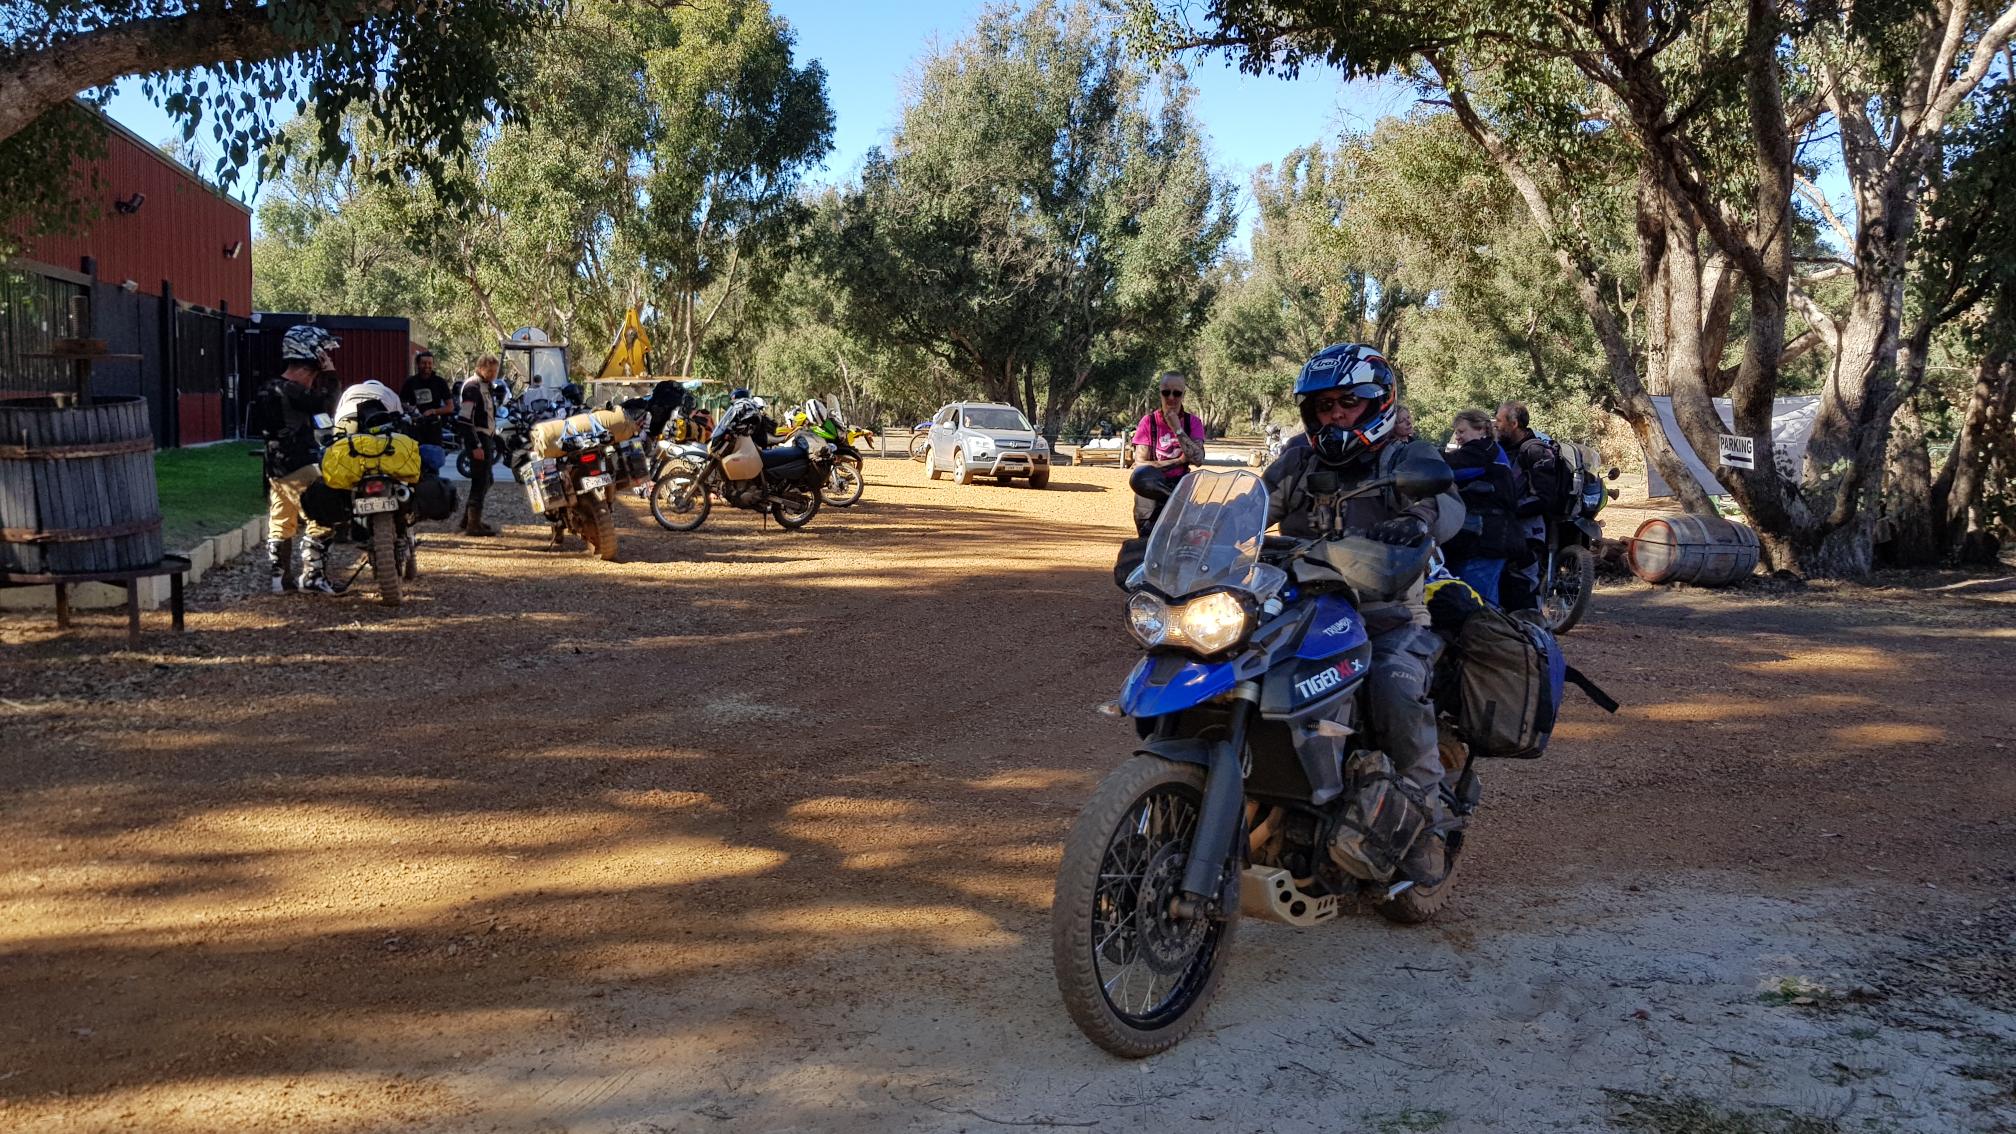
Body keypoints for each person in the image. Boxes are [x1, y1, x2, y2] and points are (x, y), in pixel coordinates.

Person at [1261, 342, 1464, 882]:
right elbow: (1255, 503)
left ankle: (1428, 827)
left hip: (1388, 614)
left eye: (1348, 403)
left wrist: (1417, 520)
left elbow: (1445, 505)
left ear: (1379, 402)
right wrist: (1207, 523)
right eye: (1324, 406)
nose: (1335, 415)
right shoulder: (1299, 460)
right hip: (1303, 609)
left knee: (1393, 686)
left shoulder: (1404, 457)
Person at [249, 325, 339, 594]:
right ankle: (313, 577)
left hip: (274, 466)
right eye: (322, 354)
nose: (326, 358)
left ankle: (280, 578)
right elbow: (328, 404)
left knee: (282, 519)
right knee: (324, 512)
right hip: (298, 463)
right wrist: (331, 374)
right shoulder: (292, 391)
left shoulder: (267, 388)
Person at [1441, 409, 1519, 604]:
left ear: (1482, 429)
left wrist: (1421, 456)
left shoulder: (1482, 450)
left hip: (1486, 537)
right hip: (1484, 537)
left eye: (1461, 431)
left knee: (1477, 603)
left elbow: (1450, 469)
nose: (1458, 437)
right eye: (1456, 432)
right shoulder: (1490, 450)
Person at [1495, 401, 1561, 611]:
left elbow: (1544, 498)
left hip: (1528, 532)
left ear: (1514, 424)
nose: (1495, 425)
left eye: (1499, 421)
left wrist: (1509, 509)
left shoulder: (1535, 451)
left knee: (1524, 589)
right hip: (1506, 529)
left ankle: (1532, 626)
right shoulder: (1504, 449)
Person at [1128, 372, 1208, 535]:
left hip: (1179, 488)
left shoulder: (1192, 422)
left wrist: (1177, 429)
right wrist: (1178, 461)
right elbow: (1140, 464)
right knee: (1147, 537)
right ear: (1160, 393)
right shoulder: (1148, 422)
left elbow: (1198, 459)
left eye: (1176, 393)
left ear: (1183, 394)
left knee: (1179, 537)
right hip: (1149, 487)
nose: (1171, 397)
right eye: (1166, 392)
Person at [457, 356, 501, 536]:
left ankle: (469, 519)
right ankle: (472, 525)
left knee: (486, 479)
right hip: (478, 437)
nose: (493, 374)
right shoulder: (472, 387)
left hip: (486, 436)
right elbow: (464, 419)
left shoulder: (486, 386)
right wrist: (475, 445)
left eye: (495, 371)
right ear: (480, 368)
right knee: (480, 481)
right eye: (490, 371)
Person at [401, 350, 453, 477]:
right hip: (414, 427)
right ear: (418, 364)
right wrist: (409, 407)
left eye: (430, 363)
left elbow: (450, 407)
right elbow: (401, 402)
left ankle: (433, 484)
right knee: (415, 461)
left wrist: (433, 411)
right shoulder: (410, 382)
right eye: (424, 363)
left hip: (434, 428)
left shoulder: (440, 382)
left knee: (433, 463)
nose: (427, 366)